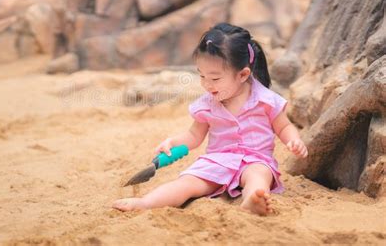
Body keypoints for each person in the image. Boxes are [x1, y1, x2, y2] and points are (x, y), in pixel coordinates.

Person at [112, 23, 308, 216]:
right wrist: (172, 142)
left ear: (242, 75)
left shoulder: (266, 100)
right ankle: (146, 202)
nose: (207, 84)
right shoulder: (207, 104)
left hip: (257, 159)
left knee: (257, 176)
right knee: (186, 183)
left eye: (215, 79)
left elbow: (283, 126)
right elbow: (194, 136)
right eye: (202, 76)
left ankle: (252, 201)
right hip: (218, 161)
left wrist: (294, 140)